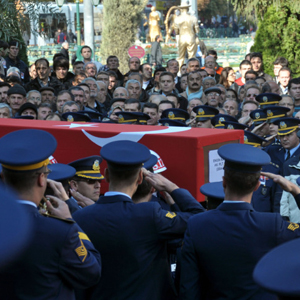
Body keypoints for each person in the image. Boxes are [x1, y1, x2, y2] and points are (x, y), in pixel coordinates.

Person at [73, 140, 204, 300]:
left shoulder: (79, 217)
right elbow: (198, 219)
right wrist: (172, 187)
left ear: (106, 175)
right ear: (141, 178)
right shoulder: (150, 214)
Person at [180, 143, 300, 300]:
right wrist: (295, 191)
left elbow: (188, 286)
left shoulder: (196, 224)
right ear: (257, 186)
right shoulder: (272, 224)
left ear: (224, 182)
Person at [0, 129, 101, 299]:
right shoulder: (59, 230)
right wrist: (70, 221)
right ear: (41, 179)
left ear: (2, 177)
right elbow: (91, 272)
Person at [174, 1, 199, 68]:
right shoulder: (193, 18)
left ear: (181, 9)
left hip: (182, 38)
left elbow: (176, 31)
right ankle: (192, 71)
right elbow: (197, 30)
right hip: (191, 38)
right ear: (188, 9)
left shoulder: (177, 19)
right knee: (192, 57)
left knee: (181, 57)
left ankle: (180, 71)